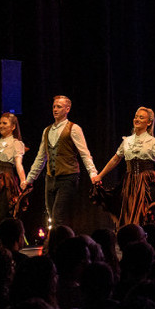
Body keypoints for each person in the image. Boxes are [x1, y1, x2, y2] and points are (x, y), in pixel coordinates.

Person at [89, 107, 155, 229]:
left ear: (149, 122)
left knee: (144, 213)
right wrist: (100, 175)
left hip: (147, 182)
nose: (137, 119)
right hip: (130, 182)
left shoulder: (153, 142)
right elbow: (115, 159)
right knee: (129, 213)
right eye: (136, 116)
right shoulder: (127, 141)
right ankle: (132, 238)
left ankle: (146, 239)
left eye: (141, 117)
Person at [22, 96, 98, 231]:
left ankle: (57, 247)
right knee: (52, 216)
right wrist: (29, 179)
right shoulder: (47, 131)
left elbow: (84, 153)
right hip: (50, 179)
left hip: (68, 177)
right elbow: (41, 158)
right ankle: (58, 245)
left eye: (59, 107)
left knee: (58, 215)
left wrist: (93, 173)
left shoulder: (74, 128)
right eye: (54, 106)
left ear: (67, 109)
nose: (55, 109)